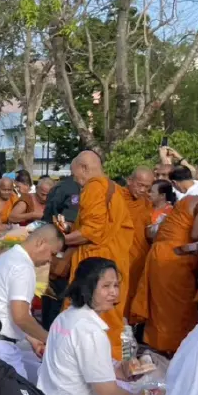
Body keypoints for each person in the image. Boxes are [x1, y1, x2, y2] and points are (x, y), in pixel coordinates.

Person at [37, 258, 160, 395]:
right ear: (87, 287)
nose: (113, 293)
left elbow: (77, 364)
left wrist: (119, 371)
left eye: (116, 286)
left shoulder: (66, 317)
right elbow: (109, 394)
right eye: (105, 286)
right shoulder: (90, 329)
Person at [129, 179, 198, 356]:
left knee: (162, 308)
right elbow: (197, 233)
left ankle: (161, 349)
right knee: (177, 310)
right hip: (175, 258)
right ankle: (173, 351)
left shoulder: (187, 200)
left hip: (160, 254)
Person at [60, 150, 135, 359]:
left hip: (97, 262)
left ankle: (97, 360)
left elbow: (92, 231)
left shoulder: (94, 187)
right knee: (110, 312)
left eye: (76, 176)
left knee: (91, 309)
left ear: (84, 168)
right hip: (113, 258)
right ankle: (112, 360)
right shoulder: (115, 188)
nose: (77, 181)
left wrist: (58, 240)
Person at [0, 225, 64, 378]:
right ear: (41, 243)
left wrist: (33, 339)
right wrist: (51, 339)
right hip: (1, 350)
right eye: (52, 253)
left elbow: (6, 309)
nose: (49, 260)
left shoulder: (6, 257)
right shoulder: (23, 267)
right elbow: (21, 317)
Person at [121, 166, 155, 310]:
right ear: (129, 180)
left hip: (138, 257)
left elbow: (146, 228)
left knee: (133, 293)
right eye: (140, 185)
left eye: (147, 187)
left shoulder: (147, 202)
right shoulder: (117, 198)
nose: (142, 190)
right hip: (119, 253)